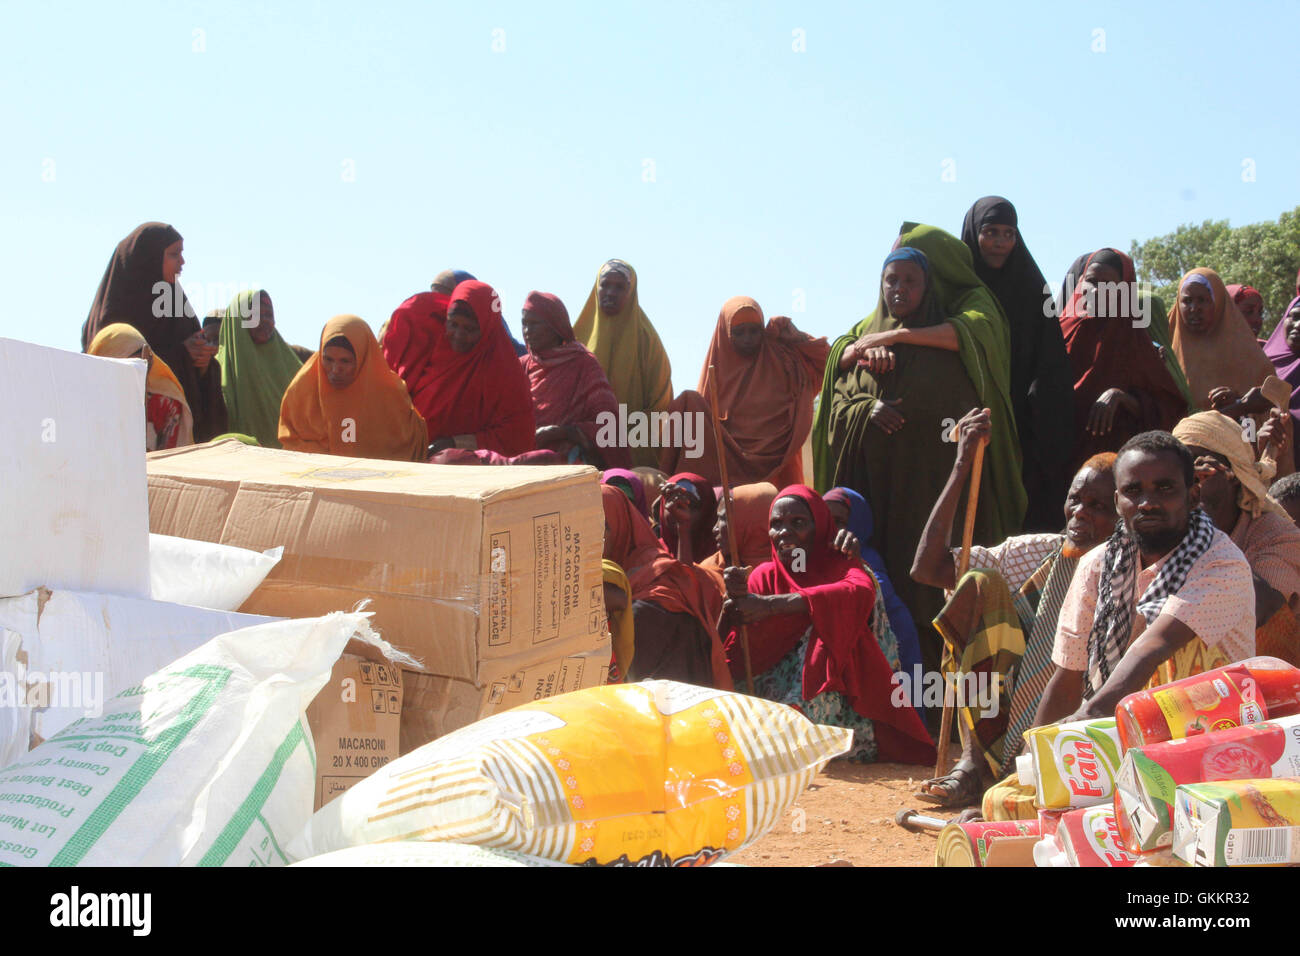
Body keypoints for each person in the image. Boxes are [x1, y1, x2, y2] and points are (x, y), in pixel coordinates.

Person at [811, 225, 1026, 676]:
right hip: (876, 493)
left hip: (931, 495)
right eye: (892, 280)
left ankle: (944, 693)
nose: (900, 289)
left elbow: (966, 413)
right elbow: (834, 410)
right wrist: (866, 409)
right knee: (881, 586)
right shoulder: (862, 341)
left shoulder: (951, 341)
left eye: (911, 281)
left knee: (931, 589)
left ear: (928, 285)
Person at [908, 407, 1118, 804]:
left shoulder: (1129, 571)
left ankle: (1046, 773)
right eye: (1075, 500)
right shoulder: (1038, 552)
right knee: (977, 585)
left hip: (1087, 714)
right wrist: (962, 465)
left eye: (1099, 506)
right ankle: (974, 765)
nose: (1080, 513)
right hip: (1010, 704)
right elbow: (928, 567)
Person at [1034, 432, 1255, 727]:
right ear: (1117, 501)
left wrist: (1086, 719)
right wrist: (1034, 758)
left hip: (1215, 733)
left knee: (1178, 659)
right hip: (1119, 727)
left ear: (1193, 496)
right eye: (1133, 491)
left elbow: (1156, 645)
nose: (1148, 503)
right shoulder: (1097, 565)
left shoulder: (1222, 564)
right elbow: (1069, 677)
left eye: (1165, 488)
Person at [718, 486, 935, 764]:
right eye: (776, 524)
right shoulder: (762, 575)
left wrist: (772, 605)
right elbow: (735, 650)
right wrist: (733, 603)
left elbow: (859, 592)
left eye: (798, 523)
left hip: (831, 696)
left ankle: (805, 727)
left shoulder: (841, 564)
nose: (784, 532)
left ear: (819, 527)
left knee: (824, 622)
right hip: (767, 691)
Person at [960, 197, 1074, 532]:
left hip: (1022, 429)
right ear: (973, 233)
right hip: (965, 418)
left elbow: (1051, 365)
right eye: (990, 231)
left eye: (1008, 233)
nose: (999, 242)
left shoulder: (1032, 290)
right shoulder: (956, 289)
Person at [1172, 410, 1300, 664]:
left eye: (1200, 471)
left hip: (1268, 691)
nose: (1188, 485)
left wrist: (1202, 529)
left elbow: (1254, 609)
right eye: (1178, 474)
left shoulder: (1278, 536)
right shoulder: (1169, 529)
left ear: (1233, 475)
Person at [659, 297, 828, 486]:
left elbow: (829, 367)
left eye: (754, 331)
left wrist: (798, 337)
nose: (748, 339)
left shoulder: (784, 360)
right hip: (724, 478)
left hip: (776, 477)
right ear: (725, 333)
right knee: (688, 403)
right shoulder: (717, 371)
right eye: (739, 333)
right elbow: (703, 434)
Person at [82, 222, 227, 441]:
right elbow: (119, 371)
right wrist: (182, 355)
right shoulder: (114, 316)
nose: (182, 262)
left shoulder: (175, 304)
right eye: (174, 254)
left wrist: (202, 364)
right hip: (126, 437)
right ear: (148, 258)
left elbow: (200, 377)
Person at [1058, 248, 1188, 470]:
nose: (1098, 290)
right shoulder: (1061, 331)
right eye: (1092, 281)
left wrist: (1121, 397)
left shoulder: (1135, 341)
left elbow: (1167, 409)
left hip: (1115, 466)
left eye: (1109, 284)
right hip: (1056, 458)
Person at [601, 485, 731, 688]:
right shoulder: (606, 576)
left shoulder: (656, 587)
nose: (587, 540)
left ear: (620, 526)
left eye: (600, 528)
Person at [1169, 267, 1293, 475]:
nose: (1194, 308)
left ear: (1218, 304)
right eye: (1187, 301)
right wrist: (1240, 406)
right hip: (1179, 468)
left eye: (1202, 300)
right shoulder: (1166, 356)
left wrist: (1243, 409)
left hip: (1237, 471)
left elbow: (1263, 428)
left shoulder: (1250, 359)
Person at [397, 280, 536, 456]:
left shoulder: (505, 374)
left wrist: (455, 444)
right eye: (453, 324)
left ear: (487, 328)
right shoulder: (428, 351)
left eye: (469, 328)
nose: (459, 335)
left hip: (469, 471)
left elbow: (517, 436)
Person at [277, 314, 428, 461]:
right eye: (328, 360)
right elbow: (291, 444)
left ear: (363, 359)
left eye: (345, 361)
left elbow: (408, 445)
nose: (335, 369)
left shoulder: (391, 395)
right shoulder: (302, 392)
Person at [822, 486, 924, 701]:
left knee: (901, 705)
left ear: (856, 523)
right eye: (825, 520)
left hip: (895, 636)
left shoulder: (866, 557)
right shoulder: (813, 557)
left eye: (839, 522)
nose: (830, 529)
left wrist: (855, 563)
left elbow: (876, 591)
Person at [573, 259, 674, 468]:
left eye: (620, 287)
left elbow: (660, 405)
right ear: (596, 288)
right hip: (582, 450)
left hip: (633, 456)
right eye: (605, 285)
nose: (611, 292)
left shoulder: (648, 342)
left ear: (631, 292)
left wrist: (621, 446)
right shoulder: (576, 338)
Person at [519, 290, 628, 468]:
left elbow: (608, 427)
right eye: (524, 323)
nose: (527, 331)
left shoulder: (583, 364)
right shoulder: (522, 366)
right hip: (519, 462)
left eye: (534, 324)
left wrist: (562, 433)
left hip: (568, 466)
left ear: (555, 326)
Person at [215, 289, 302, 449]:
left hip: (293, 466)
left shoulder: (294, 367)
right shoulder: (212, 372)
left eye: (269, 315)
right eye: (254, 315)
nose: (264, 321)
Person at [86, 323, 194, 451]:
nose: (138, 375)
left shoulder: (165, 402)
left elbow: (169, 458)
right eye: (128, 368)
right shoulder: (84, 404)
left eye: (143, 366)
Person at [1263, 294, 1300, 471]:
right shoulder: (1261, 366)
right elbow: (1246, 430)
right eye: (1295, 317)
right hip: (1268, 478)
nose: (1298, 325)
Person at [655, 473, 717, 564]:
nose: (679, 513)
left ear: (707, 511)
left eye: (690, 505)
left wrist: (683, 529)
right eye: (673, 503)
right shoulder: (653, 554)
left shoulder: (723, 555)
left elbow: (686, 576)